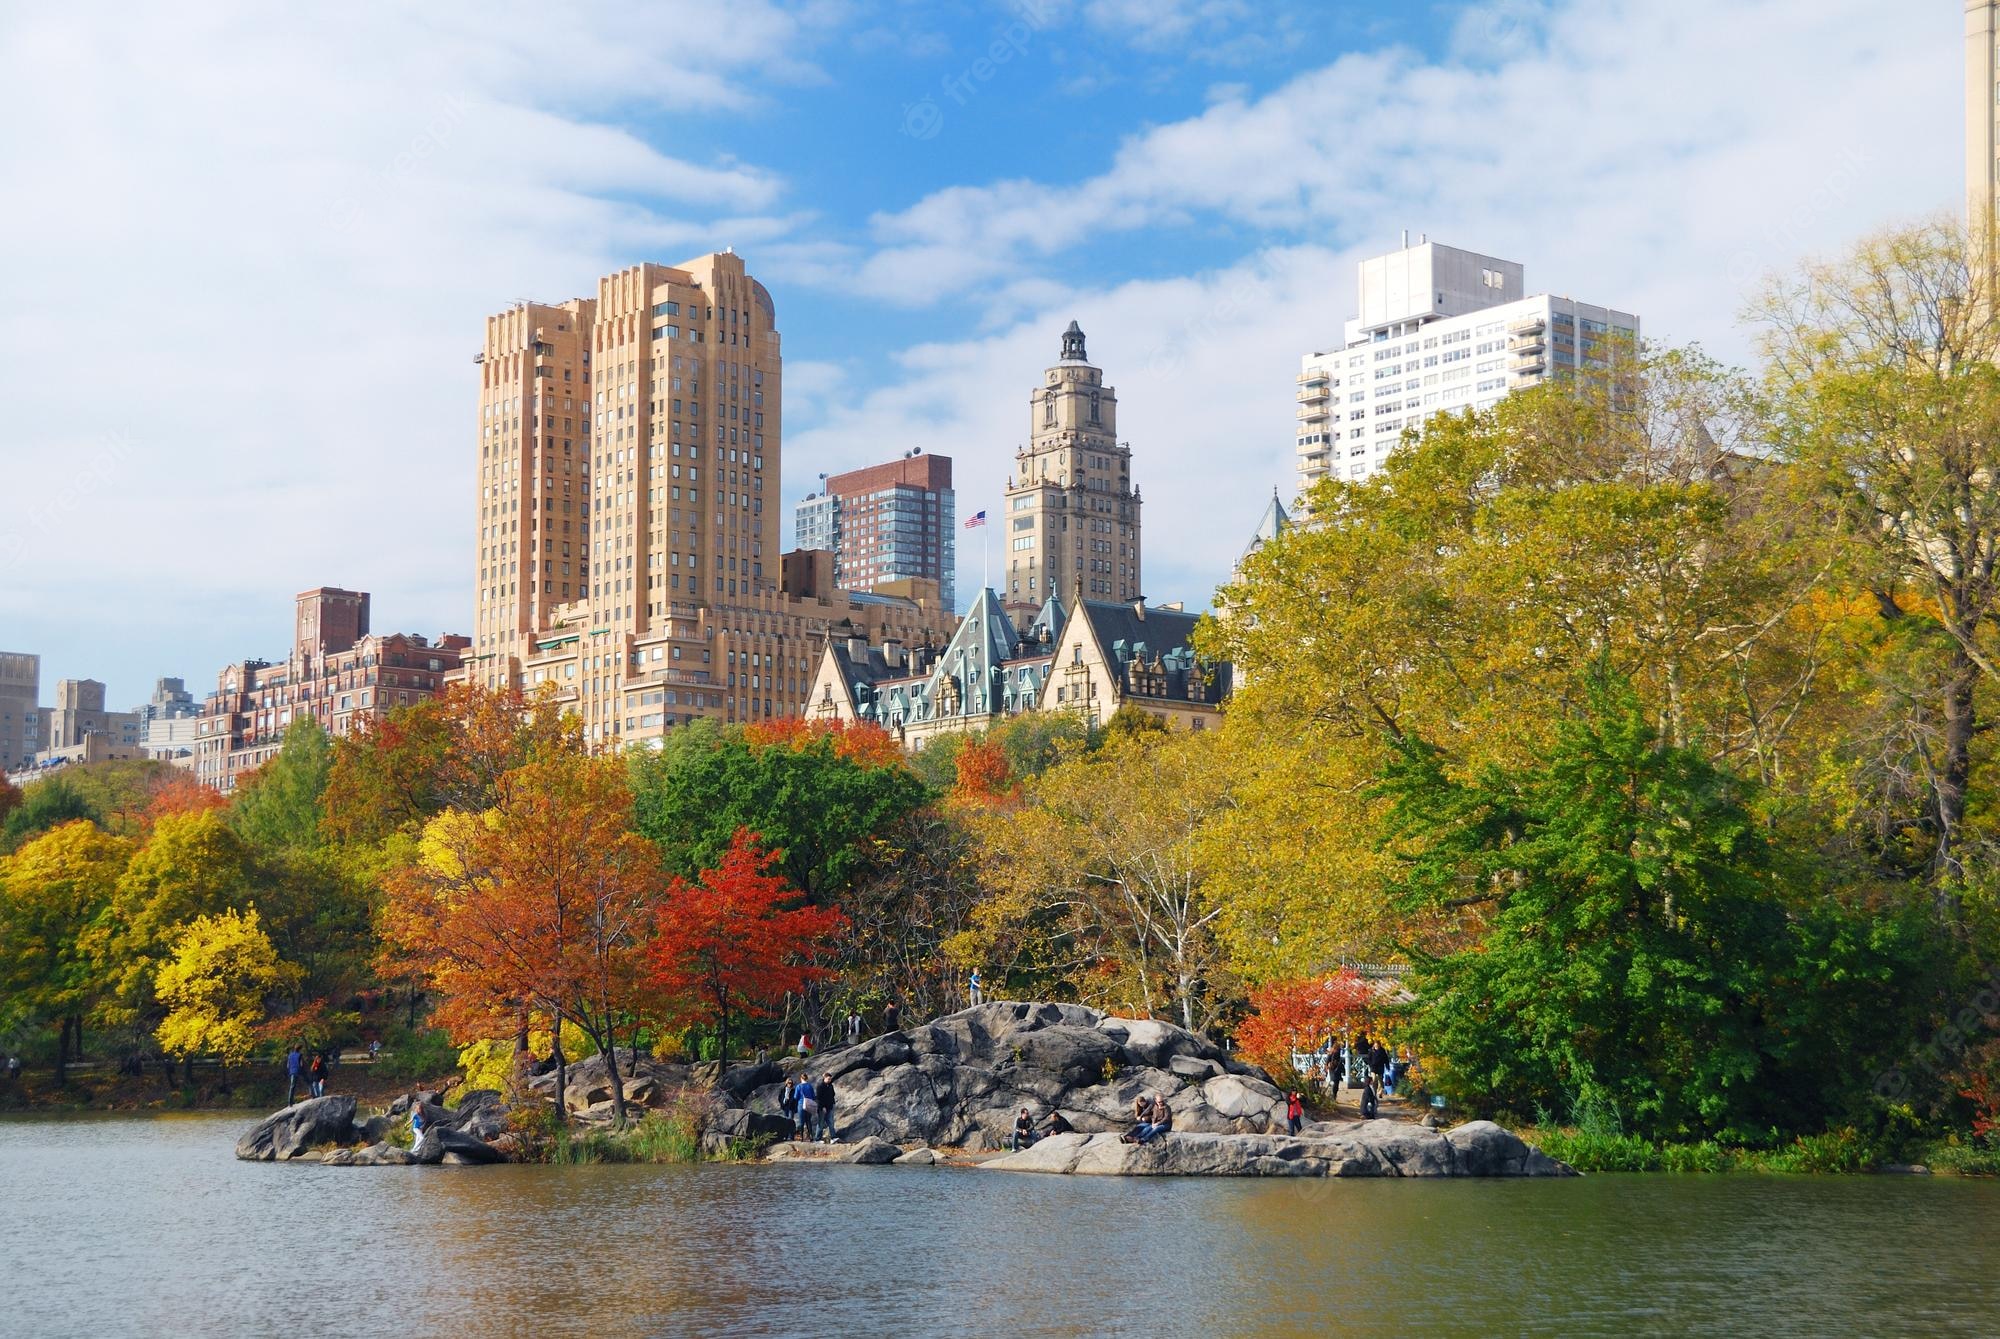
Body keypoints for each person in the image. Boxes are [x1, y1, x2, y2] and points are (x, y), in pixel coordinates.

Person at [815, 1074, 836, 1143]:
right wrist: (822, 1107)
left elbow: (833, 1094)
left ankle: (833, 1137)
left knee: (831, 1122)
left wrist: (832, 1103)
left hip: (830, 1106)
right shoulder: (820, 1086)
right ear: (824, 1078)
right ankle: (817, 1139)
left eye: (830, 1079)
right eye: (828, 1079)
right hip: (822, 1108)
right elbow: (818, 1098)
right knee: (821, 1123)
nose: (829, 1080)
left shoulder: (830, 1085)